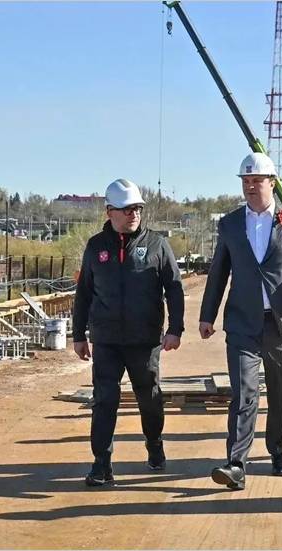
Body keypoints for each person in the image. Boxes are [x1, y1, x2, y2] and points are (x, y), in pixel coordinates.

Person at [199, 152, 282, 491]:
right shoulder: (230, 224)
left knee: (281, 393)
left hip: (281, 324)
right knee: (244, 392)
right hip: (242, 323)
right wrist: (207, 315)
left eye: (257, 181)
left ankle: (278, 451)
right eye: (246, 181)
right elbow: (218, 272)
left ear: (271, 182)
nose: (251, 186)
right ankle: (236, 463)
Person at [73, 178, 184, 487]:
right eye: (126, 209)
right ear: (110, 211)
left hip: (144, 340)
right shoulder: (96, 247)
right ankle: (101, 464)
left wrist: (175, 329)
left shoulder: (157, 245)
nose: (133, 214)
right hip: (106, 340)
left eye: (137, 208)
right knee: (104, 401)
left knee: (149, 399)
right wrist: (78, 334)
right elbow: (84, 293)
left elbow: (174, 288)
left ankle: (154, 443)